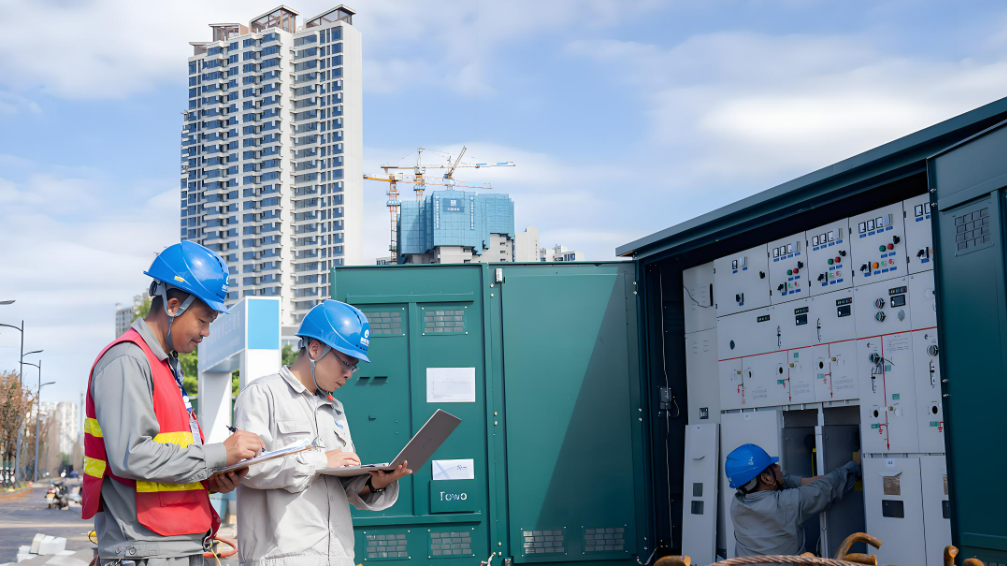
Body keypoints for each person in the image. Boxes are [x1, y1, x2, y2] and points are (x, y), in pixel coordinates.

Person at [83, 241, 264, 565]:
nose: (207, 332)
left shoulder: (164, 366)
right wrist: (221, 453)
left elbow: (165, 458)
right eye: (203, 320)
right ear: (173, 304)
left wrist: (213, 475)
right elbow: (132, 455)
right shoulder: (127, 361)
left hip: (176, 546)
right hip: (147, 550)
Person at [234, 299, 412, 566]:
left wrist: (376, 482)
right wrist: (321, 460)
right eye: (347, 362)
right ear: (315, 348)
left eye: (355, 366)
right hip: (282, 559)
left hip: (337, 556)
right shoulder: (263, 395)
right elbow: (249, 469)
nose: (350, 373)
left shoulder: (335, 410)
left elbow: (341, 487)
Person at [725, 443, 861, 557]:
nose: (778, 467)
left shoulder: (737, 504)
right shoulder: (785, 504)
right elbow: (825, 489)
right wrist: (855, 465)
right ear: (766, 478)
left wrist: (783, 479)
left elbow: (790, 482)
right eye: (773, 466)